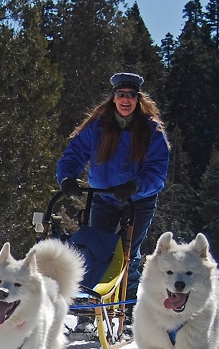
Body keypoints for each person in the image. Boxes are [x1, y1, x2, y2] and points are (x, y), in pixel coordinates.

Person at [56, 72, 170, 301]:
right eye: (121, 95)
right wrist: (67, 178)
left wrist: (134, 185)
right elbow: (74, 154)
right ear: (113, 97)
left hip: (138, 200)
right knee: (97, 251)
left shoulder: (151, 130)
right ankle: (91, 308)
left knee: (128, 254)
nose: (125, 100)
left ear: (138, 99)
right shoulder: (98, 126)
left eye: (130, 95)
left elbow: (157, 170)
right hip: (104, 198)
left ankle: (125, 310)